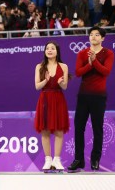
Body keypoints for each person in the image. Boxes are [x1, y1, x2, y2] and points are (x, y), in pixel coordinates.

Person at [68, 26, 114, 172]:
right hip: (83, 96)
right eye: (91, 34)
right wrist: (89, 63)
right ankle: (78, 159)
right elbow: (78, 72)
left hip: (99, 96)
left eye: (96, 35)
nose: (93, 37)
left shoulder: (108, 53)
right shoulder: (82, 53)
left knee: (97, 128)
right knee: (79, 127)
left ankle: (95, 159)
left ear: (102, 38)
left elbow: (106, 72)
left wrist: (94, 61)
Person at [34, 41, 69, 172]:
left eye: (52, 48)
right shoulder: (39, 66)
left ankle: (57, 160)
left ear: (57, 51)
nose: (49, 50)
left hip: (58, 99)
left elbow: (65, 87)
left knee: (59, 131)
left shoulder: (64, 66)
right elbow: (37, 86)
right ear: (44, 51)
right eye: (47, 48)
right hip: (45, 99)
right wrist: (46, 80)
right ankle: (48, 160)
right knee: (45, 131)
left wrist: (61, 82)